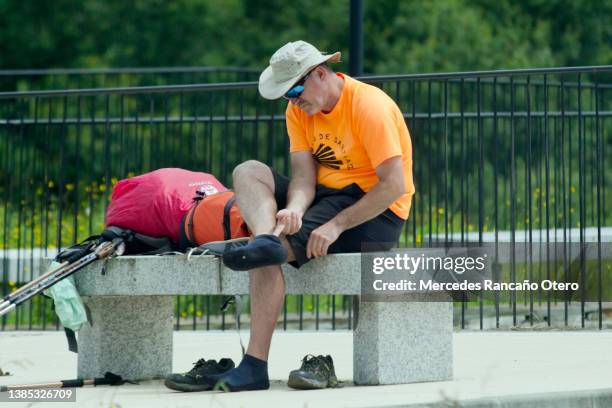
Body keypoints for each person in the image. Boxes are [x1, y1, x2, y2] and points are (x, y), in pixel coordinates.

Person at [165, 40, 415, 392]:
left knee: (263, 252)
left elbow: (394, 186)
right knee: (248, 171)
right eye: (287, 94)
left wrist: (336, 225)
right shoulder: (299, 111)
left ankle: (254, 366)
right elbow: (303, 178)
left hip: (376, 209)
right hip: (324, 198)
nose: (294, 99)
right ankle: (268, 239)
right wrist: (294, 209)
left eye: (296, 89)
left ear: (321, 73)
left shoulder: (369, 106)